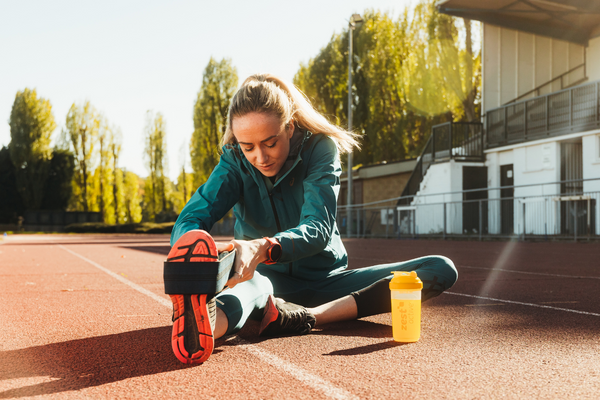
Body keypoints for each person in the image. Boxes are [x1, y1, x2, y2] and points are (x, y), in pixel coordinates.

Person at [168, 73, 458, 364]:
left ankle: (303, 317)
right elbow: (194, 215)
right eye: (248, 147)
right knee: (250, 289)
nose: (260, 157)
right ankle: (204, 324)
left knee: (439, 267)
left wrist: (262, 247)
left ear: (290, 127)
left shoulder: (321, 150)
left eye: (270, 142)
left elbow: (318, 228)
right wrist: (189, 259)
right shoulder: (233, 161)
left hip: (328, 285)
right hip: (264, 282)